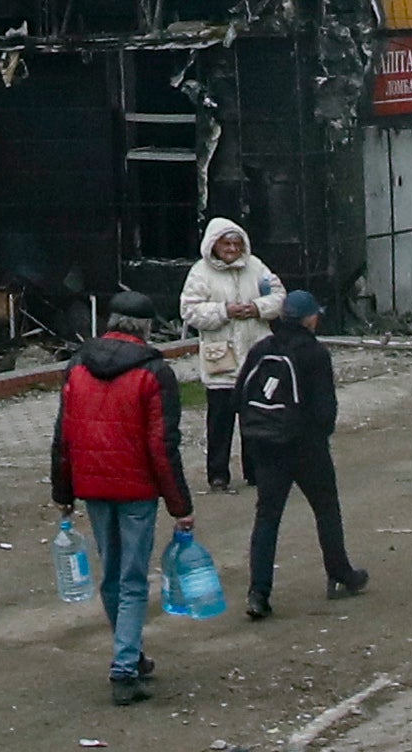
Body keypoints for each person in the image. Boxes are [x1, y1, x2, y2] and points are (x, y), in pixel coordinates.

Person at [49, 317, 194, 704]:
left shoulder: (78, 366)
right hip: (137, 490)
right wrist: (180, 505)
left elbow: (64, 435)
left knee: (111, 573)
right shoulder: (154, 372)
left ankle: (128, 652)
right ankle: (125, 667)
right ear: (144, 329)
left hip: (93, 486)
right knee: (132, 578)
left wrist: (63, 492)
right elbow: (163, 444)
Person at [233, 293, 366, 617]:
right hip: (306, 446)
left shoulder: (262, 348)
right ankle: (339, 573)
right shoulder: (314, 353)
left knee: (267, 517)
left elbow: (240, 393)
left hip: (266, 444)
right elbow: (325, 409)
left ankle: (258, 593)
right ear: (309, 319)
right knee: (325, 508)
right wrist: (318, 436)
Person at [177, 220, 278, 488]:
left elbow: (279, 297)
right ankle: (218, 474)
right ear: (215, 245)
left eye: (236, 244)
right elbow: (189, 310)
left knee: (255, 418)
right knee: (219, 422)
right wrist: (224, 311)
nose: (232, 249)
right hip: (220, 357)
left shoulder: (256, 267)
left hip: (255, 355)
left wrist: (257, 308)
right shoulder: (201, 273)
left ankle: (255, 471)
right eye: (227, 244)